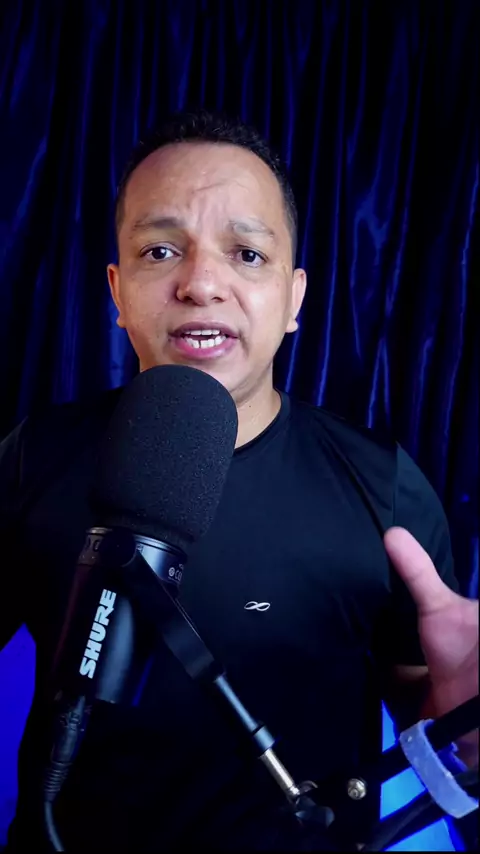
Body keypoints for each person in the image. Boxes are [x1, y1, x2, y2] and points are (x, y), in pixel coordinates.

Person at [0, 110, 477, 853]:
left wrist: (463, 724)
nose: (201, 284)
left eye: (247, 255)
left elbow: (423, 697)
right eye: (161, 250)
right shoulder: (35, 457)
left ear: (294, 299)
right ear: (117, 291)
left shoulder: (381, 483)